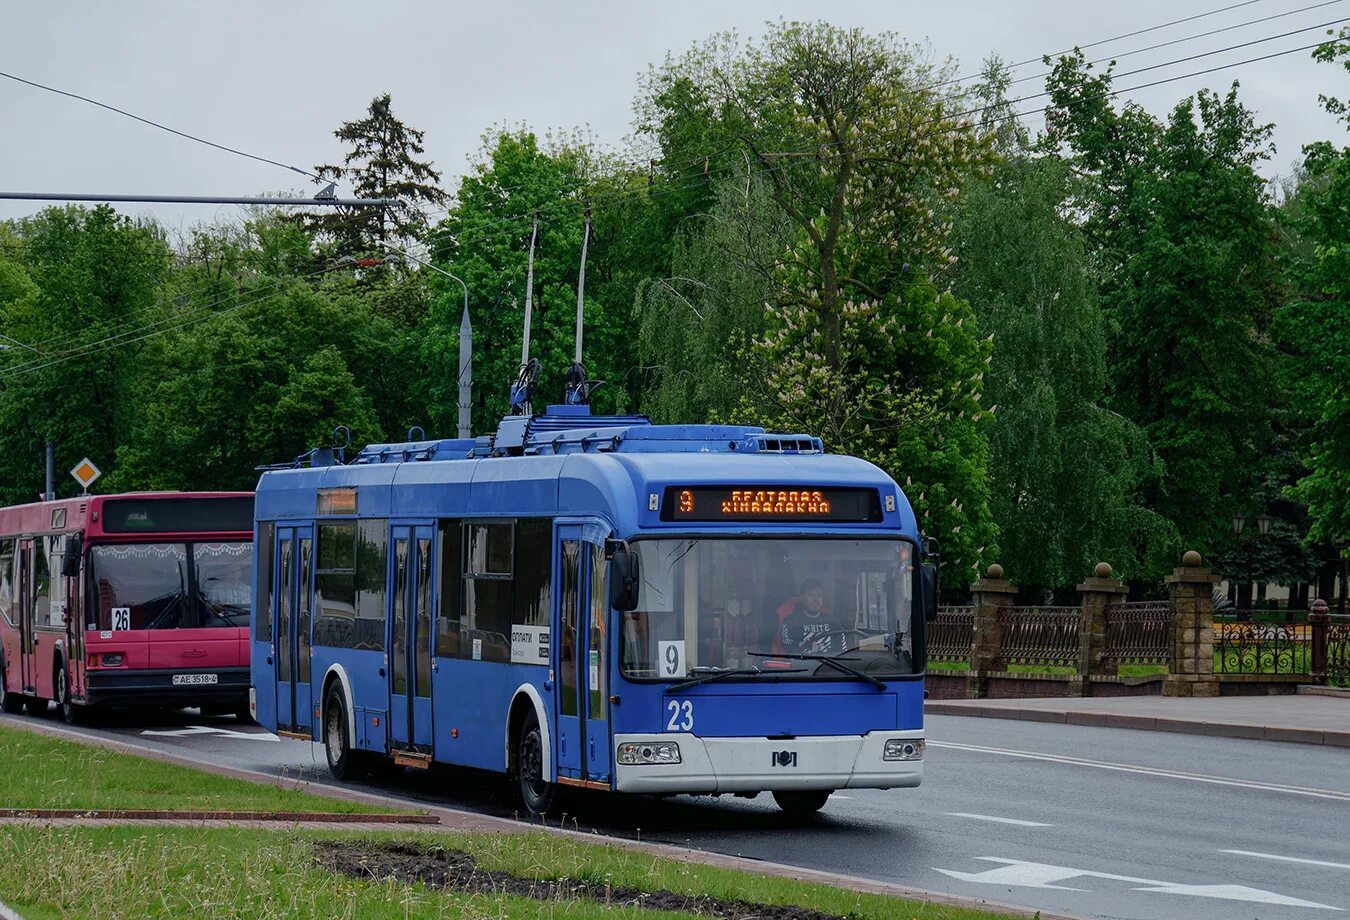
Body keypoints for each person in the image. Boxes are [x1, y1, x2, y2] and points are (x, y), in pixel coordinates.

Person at [778, 578, 843, 655]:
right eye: (811, 595)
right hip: (803, 665)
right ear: (802, 598)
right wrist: (803, 645)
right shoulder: (790, 622)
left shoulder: (833, 622)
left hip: (832, 665)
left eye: (819, 595)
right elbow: (786, 644)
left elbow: (842, 650)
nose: (816, 600)